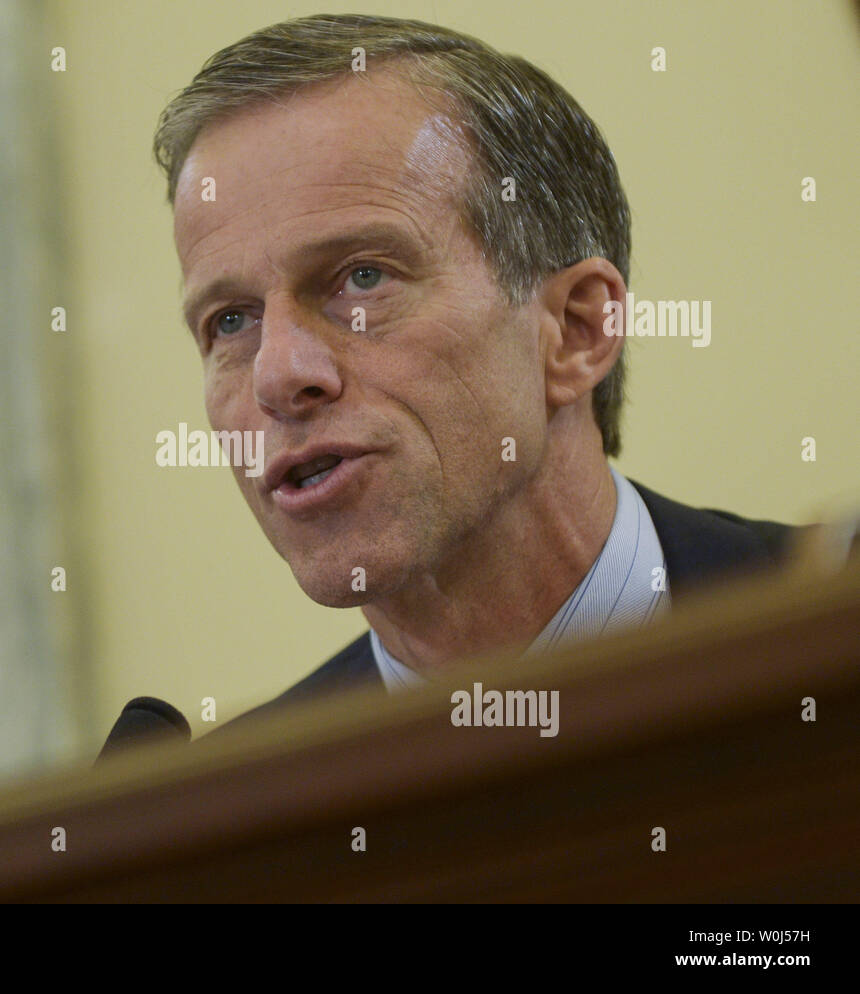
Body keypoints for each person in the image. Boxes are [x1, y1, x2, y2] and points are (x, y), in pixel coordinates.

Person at [152, 14, 802, 731]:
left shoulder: (825, 635)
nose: (277, 376)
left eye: (361, 278)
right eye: (232, 321)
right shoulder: (246, 811)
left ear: (575, 330)